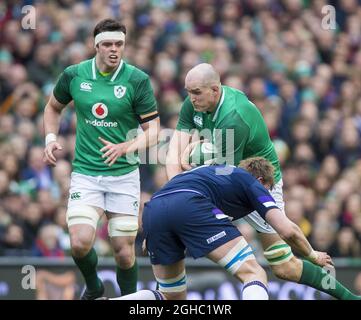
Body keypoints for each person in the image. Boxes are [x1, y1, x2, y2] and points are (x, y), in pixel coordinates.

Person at [165, 63, 360, 300]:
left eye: (196, 93)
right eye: (188, 92)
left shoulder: (234, 117)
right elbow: (174, 152)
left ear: (215, 90)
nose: (190, 98)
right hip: (227, 173)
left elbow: (223, 175)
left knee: (284, 267)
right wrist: (173, 193)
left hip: (257, 183)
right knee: (273, 268)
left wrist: (311, 254)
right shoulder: (193, 102)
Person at [101, 157, 333, 300]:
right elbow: (287, 230)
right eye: (268, 189)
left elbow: (173, 202)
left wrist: (154, 235)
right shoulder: (250, 181)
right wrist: (313, 254)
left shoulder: (218, 172)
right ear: (262, 181)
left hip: (154, 209)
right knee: (254, 273)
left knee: (171, 296)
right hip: (189, 204)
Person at [43, 19, 160, 299]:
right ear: (95, 46)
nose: (114, 49)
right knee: (80, 244)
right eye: (107, 44)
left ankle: (128, 301)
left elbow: (154, 131)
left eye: (119, 44)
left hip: (124, 176)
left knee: (123, 253)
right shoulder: (75, 75)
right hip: (86, 173)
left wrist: (126, 147)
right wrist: (50, 138)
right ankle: (94, 287)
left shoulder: (137, 80)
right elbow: (52, 108)